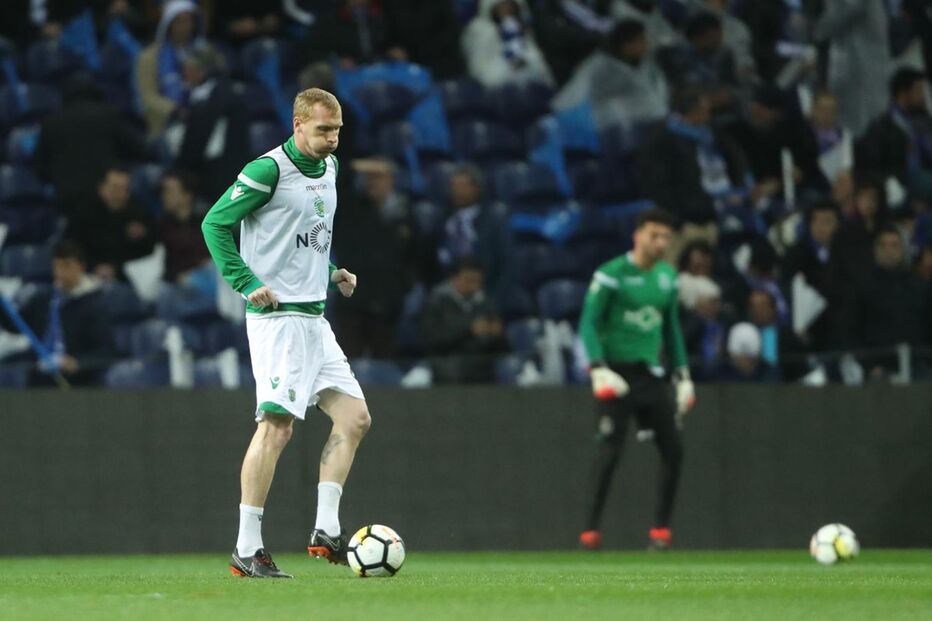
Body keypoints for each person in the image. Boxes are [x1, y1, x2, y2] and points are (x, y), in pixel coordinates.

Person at [201, 88, 371, 578]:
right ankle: (246, 548)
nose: (332, 139)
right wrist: (245, 282)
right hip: (279, 321)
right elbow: (214, 224)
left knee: (355, 418)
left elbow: (306, 238)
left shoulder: (331, 169)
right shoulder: (267, 171)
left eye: (337, 130)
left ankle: (325, 532)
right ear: (297, 125)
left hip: (315, 318)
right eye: (323, 130)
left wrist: (333, 270)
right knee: (276, 427)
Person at [577, 208, 696, 551]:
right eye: (654, 235)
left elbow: (671, 329)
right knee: (610, 451)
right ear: (638, 235)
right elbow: (588, 323)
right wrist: (598, 367)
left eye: (666, 238)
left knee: (674, 449)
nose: (660, 243)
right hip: (615, 373)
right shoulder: (611, 274)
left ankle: (660, 532)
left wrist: (683, 375)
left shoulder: (667, 278)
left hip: (650, 375)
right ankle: (590, 533)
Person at [331, 158, 414, 359]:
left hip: (387, 303)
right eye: (368, 177)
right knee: (346, 363)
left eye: (378, 177)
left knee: (385, 365)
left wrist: (403, 287)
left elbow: (414, 256)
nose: (372, 182)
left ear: (391, 181)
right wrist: (352, 167)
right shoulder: (351, 208)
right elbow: (334, 186)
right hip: (351, 301)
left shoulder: (404, 213)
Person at [3, 240, 113, 387]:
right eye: (57, 265)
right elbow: (15, 326)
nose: (60, 272)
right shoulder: (43, 299)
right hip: (40, 374)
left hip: (76, 381)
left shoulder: (95, 305)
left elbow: (105, 351)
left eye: (66, 265)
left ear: (81, 267)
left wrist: (78, 363)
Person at [34, 76, 148, 211]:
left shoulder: (50, 123)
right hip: (107, 196)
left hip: (69, 201)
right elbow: (139, 149)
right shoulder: (106, 114)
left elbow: (40, 168)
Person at [838, 226, 929, 378]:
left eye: (895, 245)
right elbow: (850, 331)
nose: (889, 250)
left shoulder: (920, 286)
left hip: (918, 366)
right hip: (878, 370)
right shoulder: (862, 287)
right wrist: (869, 365)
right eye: (883, 245)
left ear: (904, 249)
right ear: (876, 250)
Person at [553, 19, 669, 129]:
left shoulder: (640, 63)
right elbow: (574, 99)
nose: (646, 44)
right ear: (627, 45)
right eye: (641, 40)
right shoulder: (601, 66)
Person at [175, 45, 250, 202]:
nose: (184, 73)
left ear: (201, 70)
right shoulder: (216, 92)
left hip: (220, 174)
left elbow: (199, 136)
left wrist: (183, 167)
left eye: (188, 68)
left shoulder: (217, 98)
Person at [437, 164, 513, 306]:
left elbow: (507, 263)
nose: (456, 191)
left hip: (484, 293)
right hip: (447, 295)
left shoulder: (493, 220)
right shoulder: (444, 219)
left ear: (477, 188)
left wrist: (492, 300)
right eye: (454, 186)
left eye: (462, 186)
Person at [421, 257, 506, 383]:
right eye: (469, 281)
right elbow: (433, 342)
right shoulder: (437, 303)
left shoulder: (486, 304)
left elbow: (503, 348)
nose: (475, 286)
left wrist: (498, 334)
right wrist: (470, 330)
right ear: (454, 280)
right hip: (448, 365)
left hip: (482, 366)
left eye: (478, 282)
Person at [813, 0, 890, 137]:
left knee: (862, 127)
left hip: (862, 67)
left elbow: (841, 15)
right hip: (856, 65)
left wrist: (815, 29)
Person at [65, 167, 156, 282]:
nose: (120, 194)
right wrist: (93, 267)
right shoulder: (83, 213)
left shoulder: (138, 214)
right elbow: (71, 247)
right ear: (102, 188)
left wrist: (142, 237)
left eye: (125, 189)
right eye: (115, 188)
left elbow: (148, 252)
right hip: (87, 274)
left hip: (125, 277)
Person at [856, 69, 932, 202]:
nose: (923, 97)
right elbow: (874, 164)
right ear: (903, 94)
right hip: (899, 179)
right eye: (918, 91)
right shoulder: (881, 127)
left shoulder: (924, 121)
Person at [136, 0, 204, 138]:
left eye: (188, 20)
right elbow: (147, 98)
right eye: (179, 21)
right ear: (168, 25)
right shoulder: (148, 58)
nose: (185, 26)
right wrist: (175, 111)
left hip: (202, 120)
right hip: (165, 126)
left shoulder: (202, 53)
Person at [461, 0, 555, 88]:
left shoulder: (521, 28)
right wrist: (507, 68)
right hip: (497, 89)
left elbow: (538, 62)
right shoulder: (480, 30)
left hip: (530, 86)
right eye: (502, 6)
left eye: (509, 5)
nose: (506, 9)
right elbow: (479, 68)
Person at [158, 171, 210, 283]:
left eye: (169, 192)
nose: (164, 196)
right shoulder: (161, 227)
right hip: (175, 285)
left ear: (187, 197)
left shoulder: (205, 225)